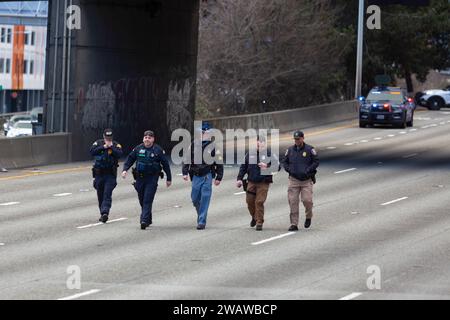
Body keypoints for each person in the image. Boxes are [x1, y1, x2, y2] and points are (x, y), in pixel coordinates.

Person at [121, 130, 172, 230]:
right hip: (140, 178)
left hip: (152, 178)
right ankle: (148, 218)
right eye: (146, 137)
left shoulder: (158, 150)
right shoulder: (138, 148)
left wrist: (169, 178)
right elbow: (130, 159)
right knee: (141, 199)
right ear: (143, 139)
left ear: (153, 139)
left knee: (147, 199)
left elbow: (165, 165)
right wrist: (124, 170)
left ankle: (143, 220)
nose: (147, 139)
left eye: (149, 138)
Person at [182, 122, 223, 230]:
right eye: (202, 132)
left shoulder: (214, 147)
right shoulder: (193, 144)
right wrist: (185, 172)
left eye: (206, 132)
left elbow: (219, 162)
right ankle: (200, 213)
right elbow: (186, 159)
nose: (203, 134)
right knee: (195, 198)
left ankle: (201, 221)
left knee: (205, 198)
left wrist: (219, 177)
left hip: (207, 175)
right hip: (195, 175)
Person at [236, 136, 279, 231]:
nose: (261, 143)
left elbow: (278, 167)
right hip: (251, 181)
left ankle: (259, 222)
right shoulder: (250, 154)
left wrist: (267, 166)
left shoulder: (269, 154)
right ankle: (254, 217)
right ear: (256, 142)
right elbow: (243, 166)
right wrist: (239, 178)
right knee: (249, 201)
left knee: (259, 202)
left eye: (263, 142)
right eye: (259, 141)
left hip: (263, 182)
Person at [282, 130, 319, 231]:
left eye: (298, 139)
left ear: (303, 138)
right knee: (293, 202)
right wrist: (290, 170)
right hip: (293, 180)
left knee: (307, 200)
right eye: (295, 139)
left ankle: (308, 216)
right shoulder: (289, 150)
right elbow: (284, 162)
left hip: (306, 180)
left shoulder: (309, 149)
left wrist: (308, 170)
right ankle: (294, 224)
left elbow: (316, 162)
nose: (296, 141)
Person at [90, 128, 123, 223]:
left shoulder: (116, 145)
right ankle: (102, 213)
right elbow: (92, 151)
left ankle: (105, 212)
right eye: (107, 137)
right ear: (104, 136)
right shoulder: (98, 143)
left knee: (107, 194)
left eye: (110, 137)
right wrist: (104, 147)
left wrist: (111, 147)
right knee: (100, 194)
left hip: (110, 175)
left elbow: (120, 154)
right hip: (99, 174)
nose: (108, 139)